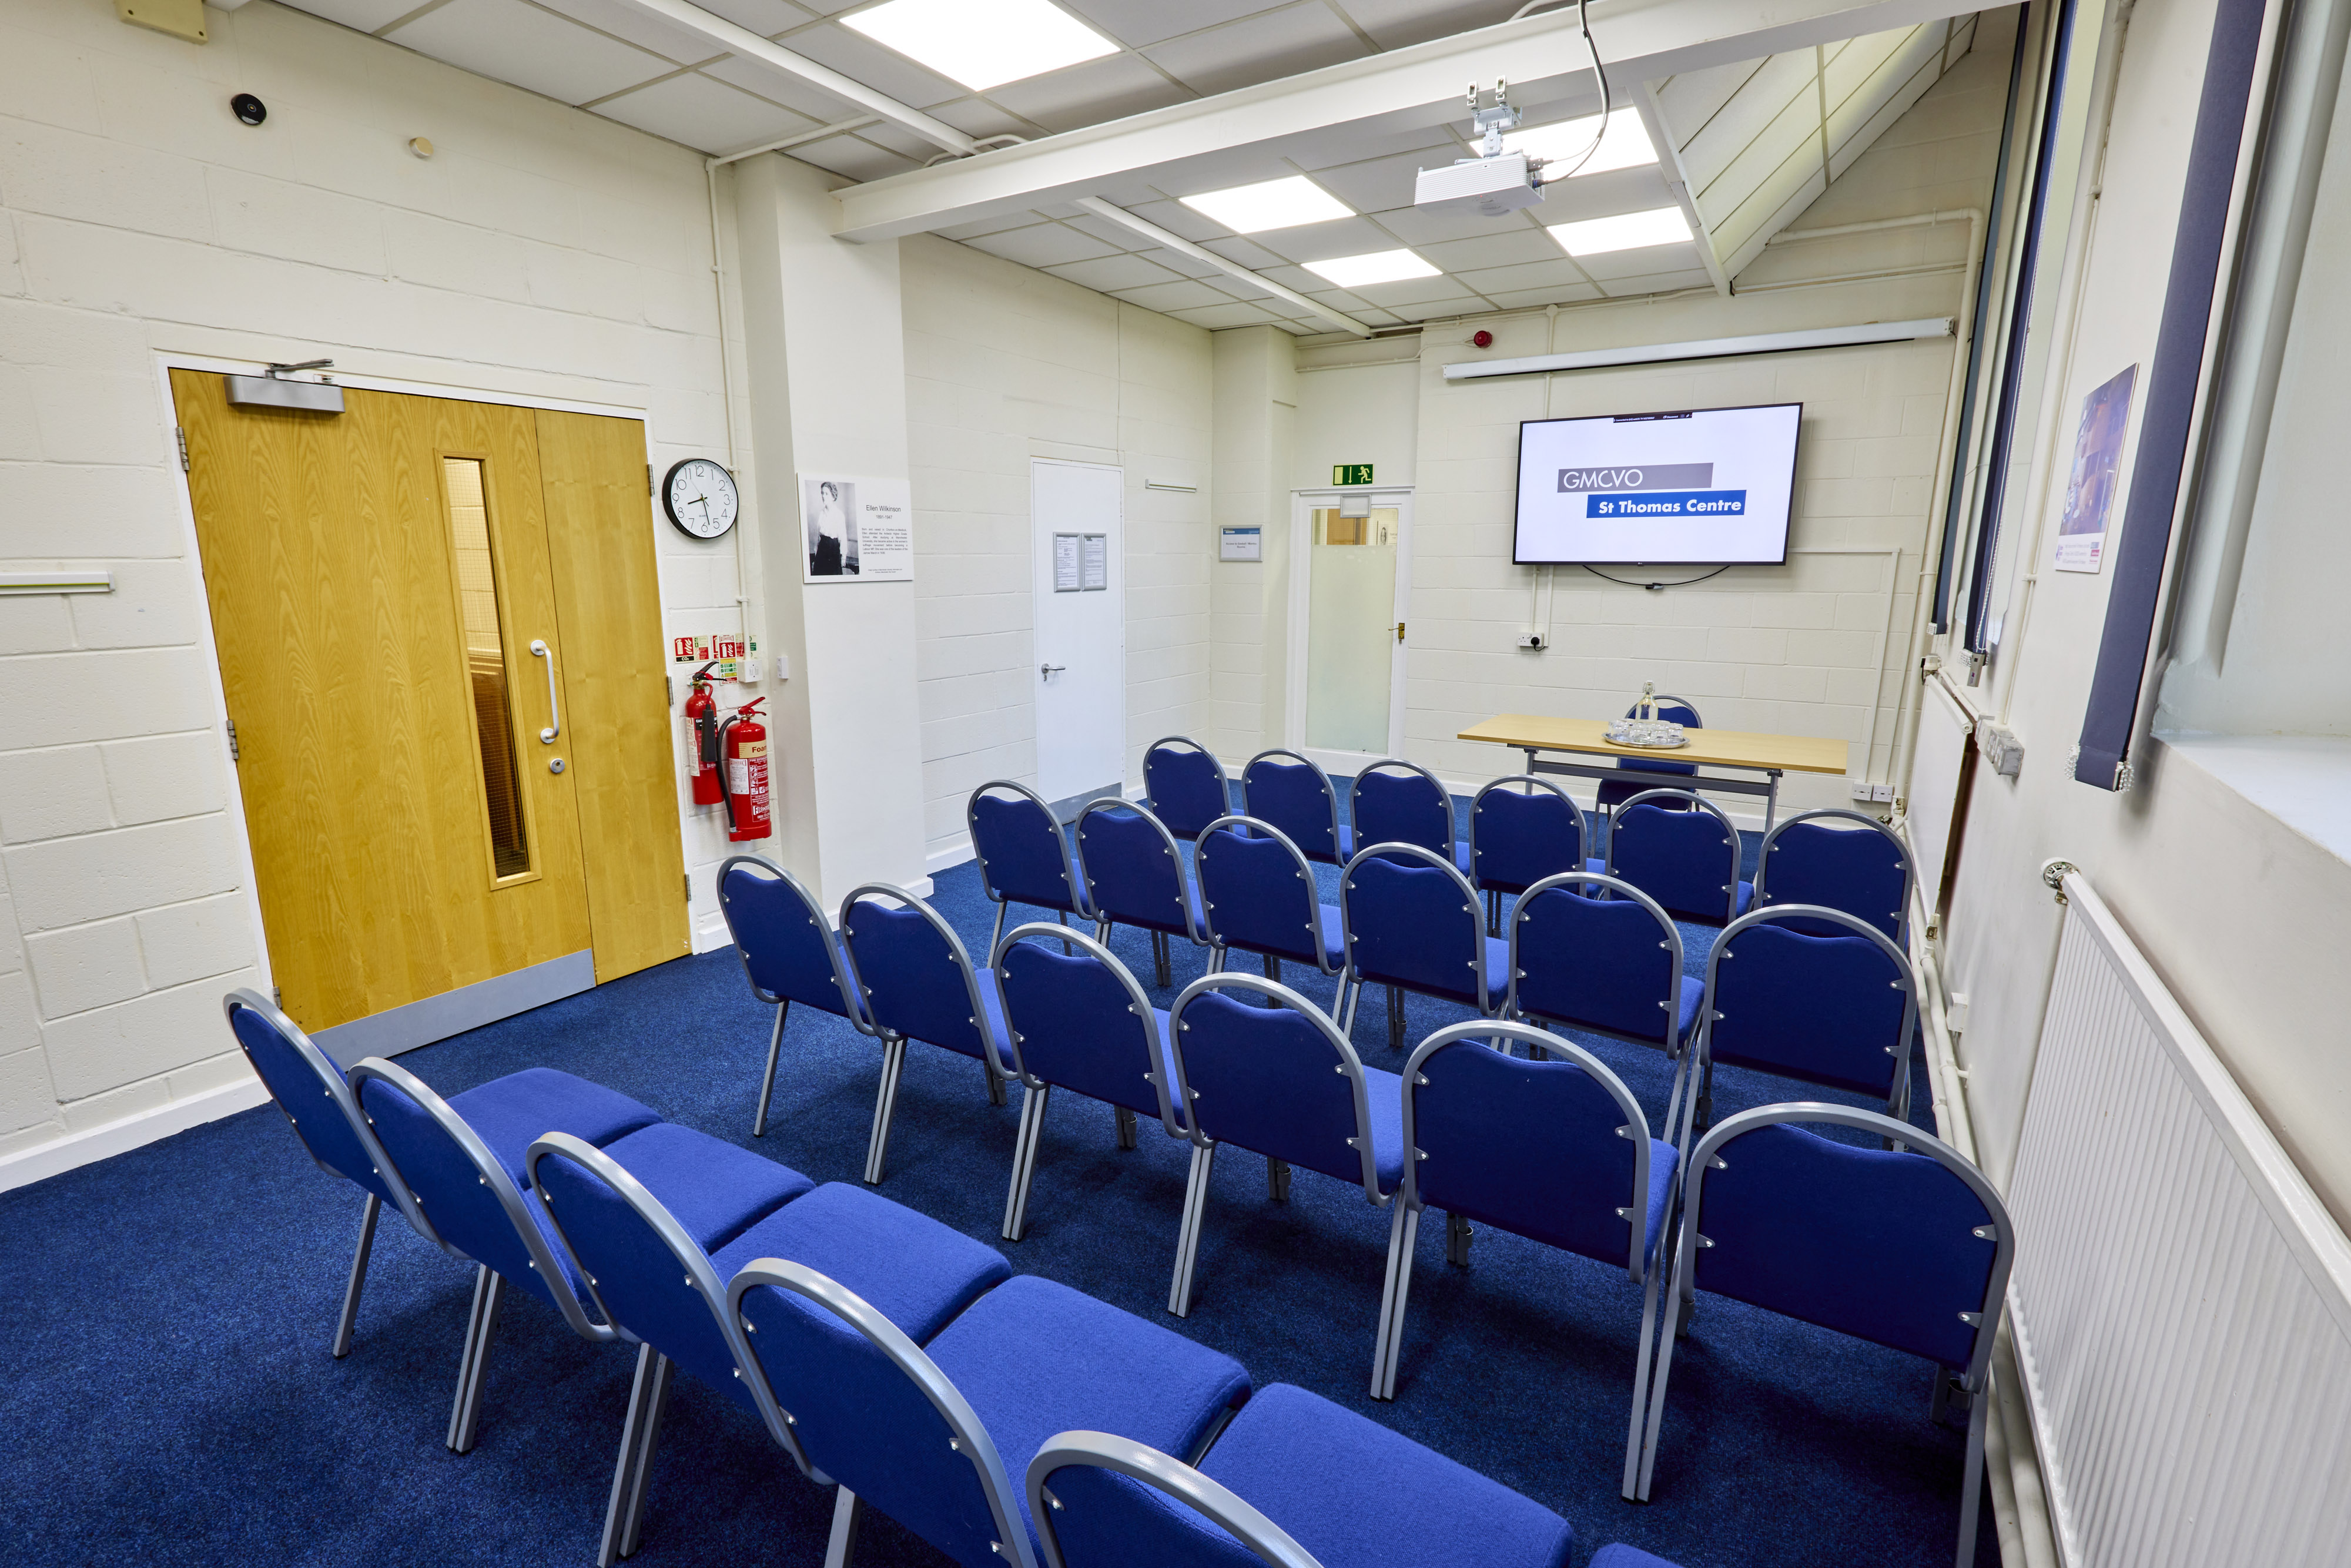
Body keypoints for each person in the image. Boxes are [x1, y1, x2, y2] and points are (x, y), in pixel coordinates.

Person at [809, 480, 847, 577]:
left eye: (826, 494)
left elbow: (843, 537)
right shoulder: (821, 514)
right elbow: (818, 537)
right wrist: (816, 552)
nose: (823, 496)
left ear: (833, 496)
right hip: (822, 550)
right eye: (822, 493)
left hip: (833, 551)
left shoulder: (839, 515)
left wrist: (843, 556)